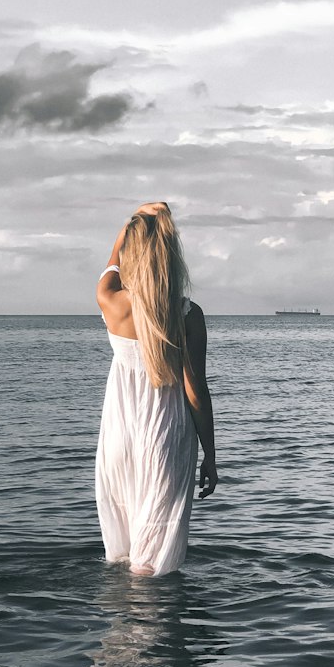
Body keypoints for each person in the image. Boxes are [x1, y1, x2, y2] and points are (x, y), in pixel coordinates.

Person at [95, 202, 218, 576]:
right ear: (170, 258)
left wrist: (132, 218)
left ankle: (122, 630)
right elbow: (195, 390)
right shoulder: (185, 314)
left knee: (123, 554)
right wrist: (210, 456)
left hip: (118, 436)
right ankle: (150, 630)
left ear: (132, 252)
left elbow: (112, 261)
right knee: (151, 563)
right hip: (163, 432)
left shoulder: (110, 300)